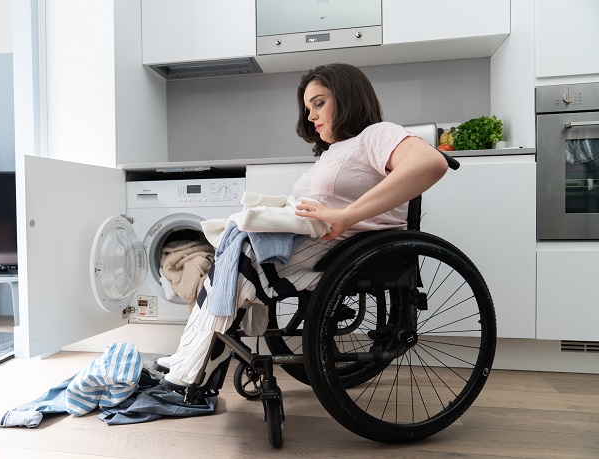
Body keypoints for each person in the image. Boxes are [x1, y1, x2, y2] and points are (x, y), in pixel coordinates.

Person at [156, 63, 449, 389]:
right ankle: (189, 355)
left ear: (348, 97)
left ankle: (196, 364)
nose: (311, 115)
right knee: (233, 250)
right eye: (308, 107)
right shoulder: (332, 152)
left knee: (243, 256)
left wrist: (346, 215)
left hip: (348, 246)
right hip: (321, 241)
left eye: (319, 103)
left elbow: (430, 163)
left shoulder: (376, 134)